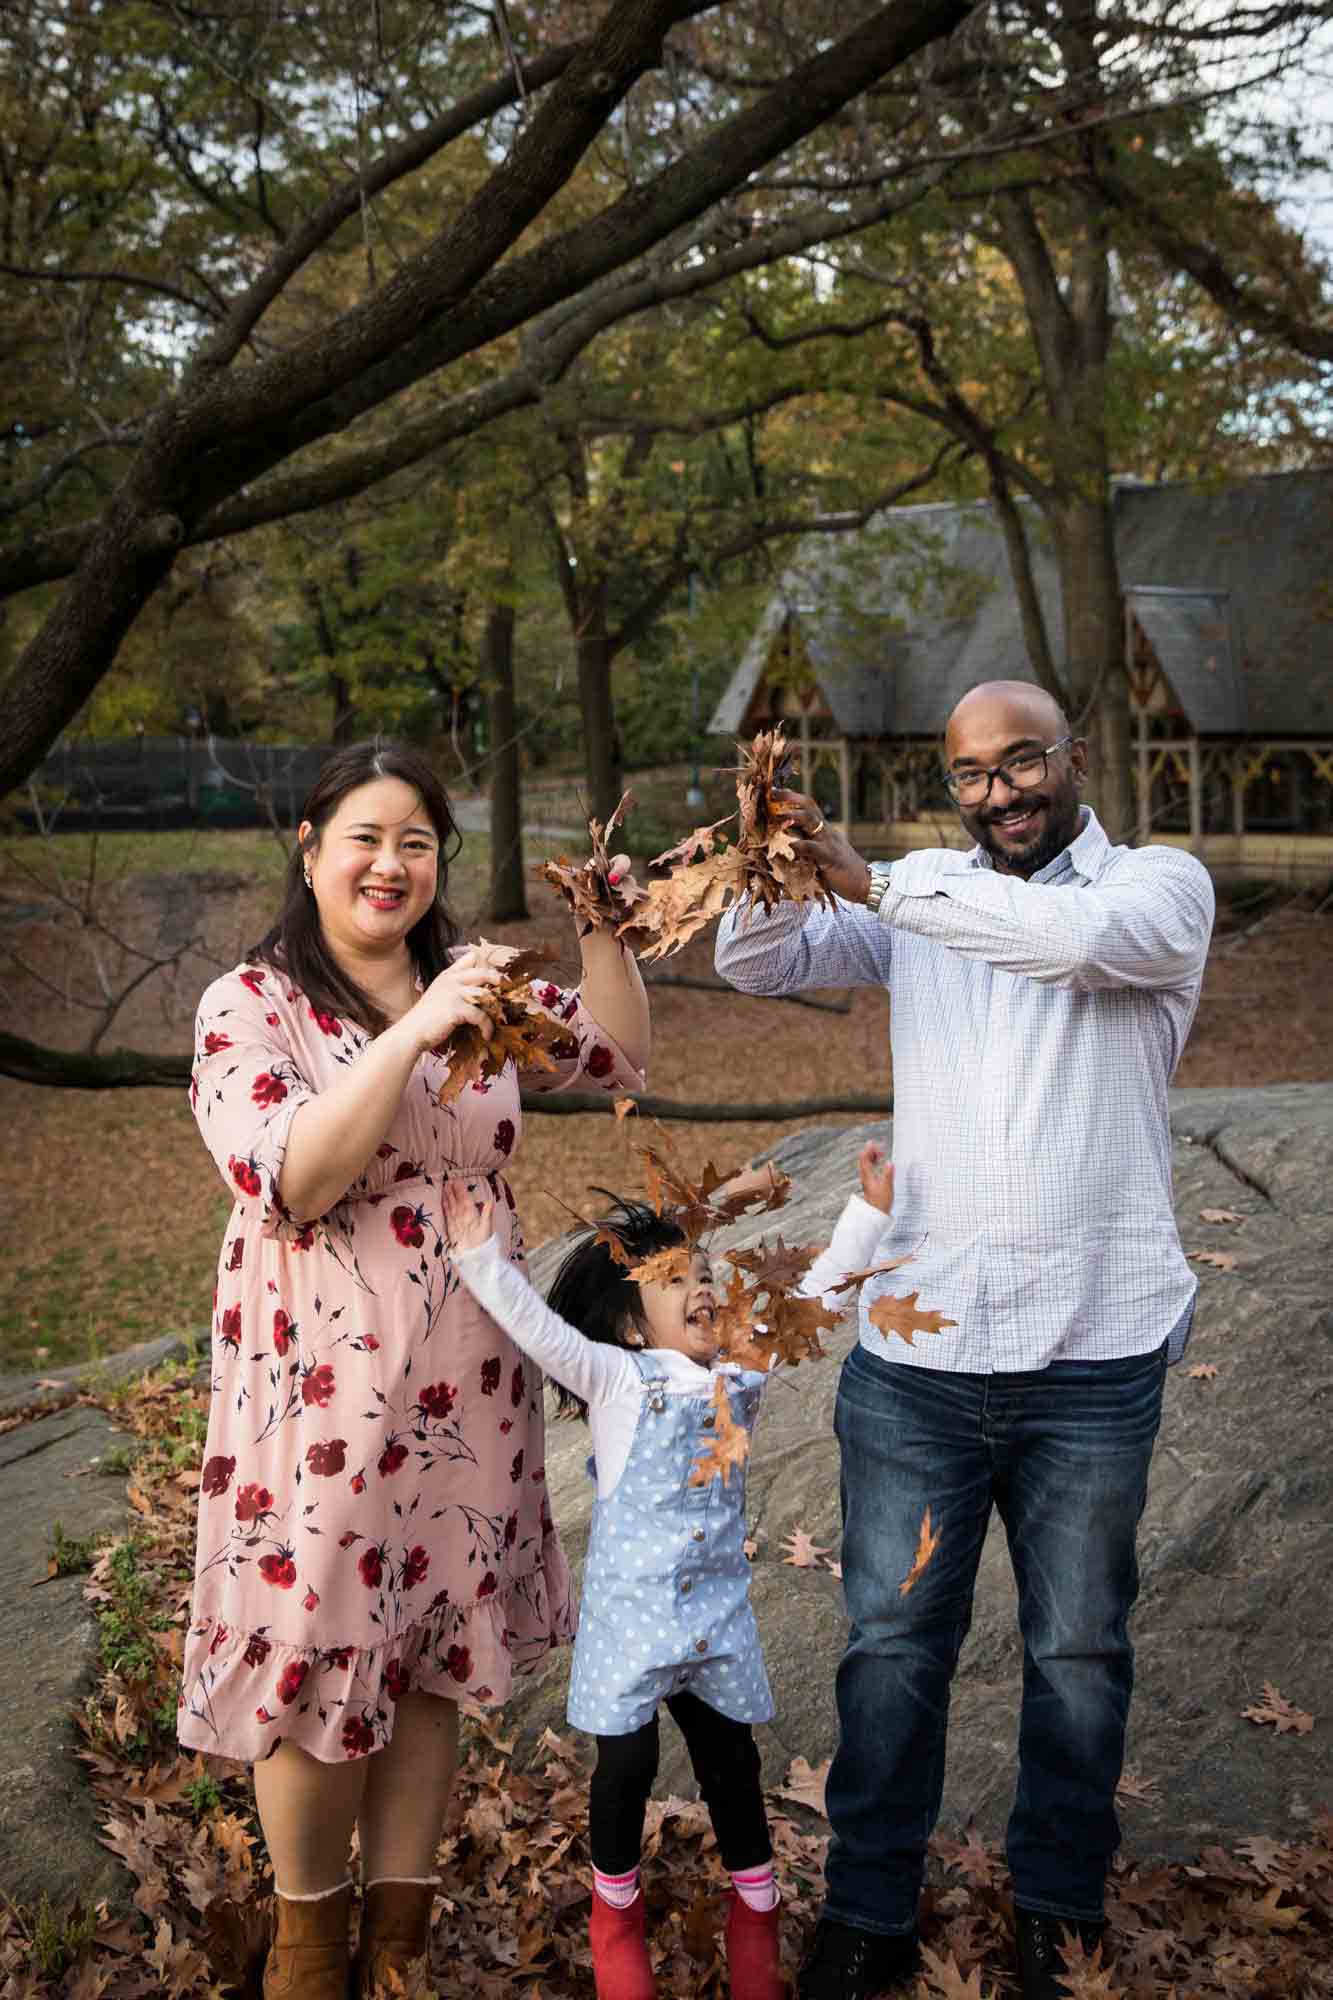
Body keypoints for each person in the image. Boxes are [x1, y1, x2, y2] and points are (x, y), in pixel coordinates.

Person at [714, 681, 1216, 2000]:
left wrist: (879, 881)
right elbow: (753, 962)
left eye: (1024, 763)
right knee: (890, 1651)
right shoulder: (918, 902)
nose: (1001, 793)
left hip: (1092, 1365)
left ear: (1076, 757)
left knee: (1077, 1652)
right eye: (973, 776)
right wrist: (769, 857)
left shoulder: (1160, 891)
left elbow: (1069, 945)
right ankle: (872, 1910)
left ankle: (1058, 1908)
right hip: (919, 1371)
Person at [181, 739, 649, 2000]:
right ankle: (307, 1951)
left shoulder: (472, 979)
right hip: (319, 1384)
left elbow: (612, 1055)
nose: (392, 865)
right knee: (318, 1646)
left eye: (418, 842)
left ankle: (399, 1948)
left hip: (466, 1378)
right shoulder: (253, 1002)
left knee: (431, 1649)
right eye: (365, 838)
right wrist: (411, 1032)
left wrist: (603, 927)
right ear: (311, 845)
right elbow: (295, 1173)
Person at [441, 1142, 898, 2000]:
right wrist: (478, 1258)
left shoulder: (739, 1367)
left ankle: (753, 1913)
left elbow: (807, 1297)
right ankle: (615, 1914)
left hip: (718, 1617)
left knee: (731, 1763)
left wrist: (867, 1213)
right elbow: (538, 1330)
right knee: (626, 1768)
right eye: (674, 1283)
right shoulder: (616, 1379)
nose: (702, 1290)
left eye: (704, 1277)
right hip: (631, 1620)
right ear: (629, 1324)